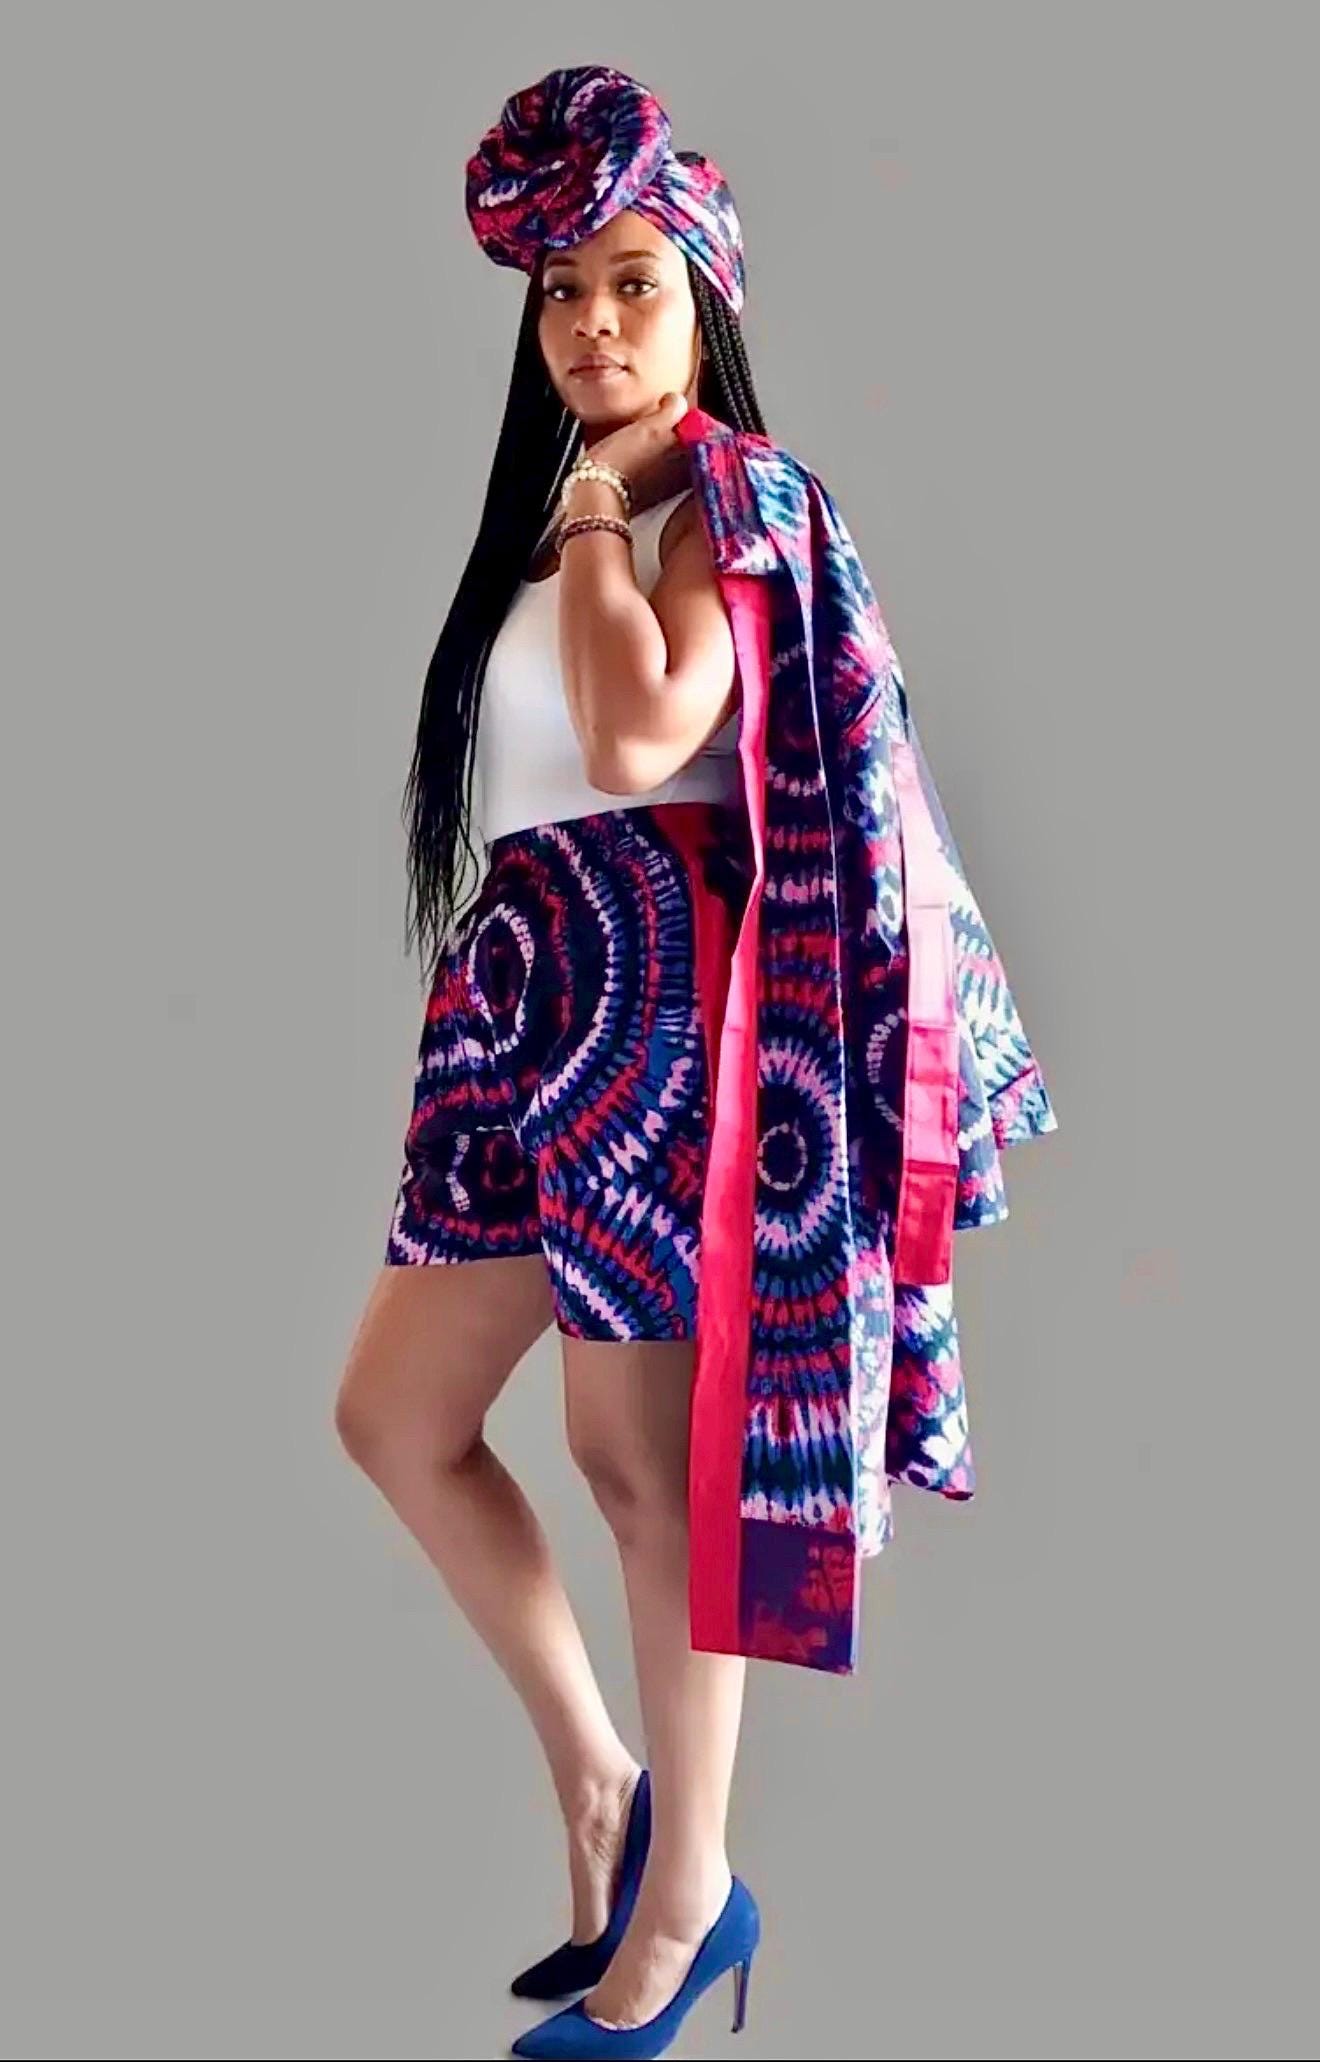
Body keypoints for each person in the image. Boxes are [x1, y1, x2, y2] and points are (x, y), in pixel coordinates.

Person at [336, 65, 767, 2062]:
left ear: (707, 300)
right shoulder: (581, 517)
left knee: (638, 1465)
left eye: (632, 285)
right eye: (560, 294)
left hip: (656, 1003)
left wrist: (601, 504)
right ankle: (605, 1782)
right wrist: (582, 509)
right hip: (523, 999)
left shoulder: (725, 508)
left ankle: (693, 1888)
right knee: (398, 1411)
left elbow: (637, 739)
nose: (591, 324)